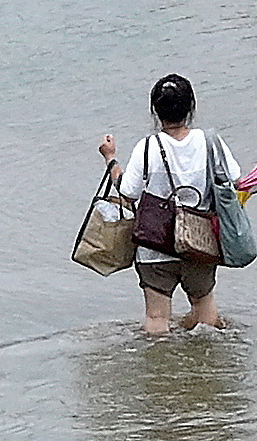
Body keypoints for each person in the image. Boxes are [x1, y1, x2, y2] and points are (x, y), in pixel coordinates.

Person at [95, 74, 236, 336]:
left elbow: (127, 192)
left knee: (156, 317)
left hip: (154, 246)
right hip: (199, 243)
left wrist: (111, 159)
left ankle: (159, 369)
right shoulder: (210, 142)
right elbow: (235, 180)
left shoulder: (147, 147)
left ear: (155, 110)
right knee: (206, 313)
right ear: (191, 106)